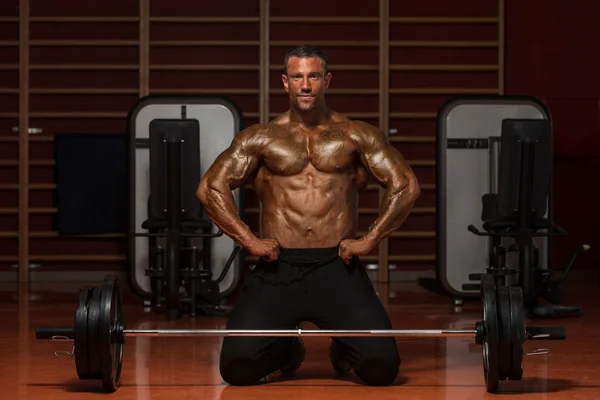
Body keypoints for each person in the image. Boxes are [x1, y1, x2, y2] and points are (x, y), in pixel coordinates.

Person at [197, 45, 421, 386]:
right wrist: (249, 240)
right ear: (284, 82)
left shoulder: (357, 134)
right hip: (278, 268)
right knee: (238, 368)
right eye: (298, 77)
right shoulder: (261, 138)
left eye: (314, 76)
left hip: (337, 268)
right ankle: (288, 349)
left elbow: (405, 185)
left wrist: (370, 239)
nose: (306, 85)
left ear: (326, 80)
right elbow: (211, 188)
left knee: (381, 368)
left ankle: (344, 349)